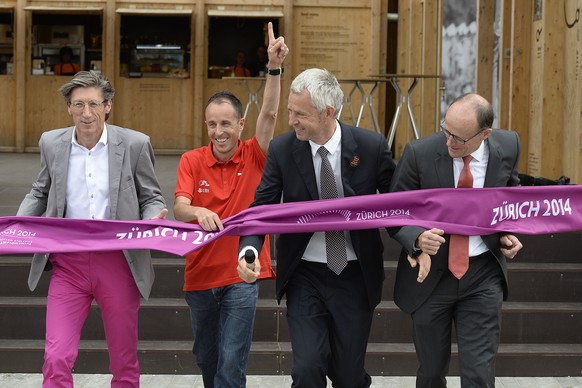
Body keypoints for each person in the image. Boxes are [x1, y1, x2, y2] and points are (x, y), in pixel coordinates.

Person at [238, 68, 396, 387]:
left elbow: (398, 204)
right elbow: (262, 206)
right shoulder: (284, 150)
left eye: (300, 114)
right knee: (308, 368)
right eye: (290, 111)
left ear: (328, 112)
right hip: (305, 274)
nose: (292, 120)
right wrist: (249, 248)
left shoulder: (370, 146)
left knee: (348, 376)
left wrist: (417, 242)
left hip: (354, 273)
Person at [17, 70, 168, 388]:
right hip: (67, 263)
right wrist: (16, 228)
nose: (87, 113)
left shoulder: (134, 144)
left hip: (117, 262)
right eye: (79, 104)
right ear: (68, 108)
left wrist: (152, 218)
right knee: (56, 356)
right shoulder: (51, 143)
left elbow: (152, 198)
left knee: (123, 361)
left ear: (108, 106)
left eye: (94, 104)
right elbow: (39, 192)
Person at [173, 22, 287, 387]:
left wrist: (273, 68)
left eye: (226, 124)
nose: (218, 132)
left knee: (232, 363)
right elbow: (179, 207)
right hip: (200, 275)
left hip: (242, 273)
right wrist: (197, 211)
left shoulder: (255, 154)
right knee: (207, 359)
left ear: (240, 125)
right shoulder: (192, 160)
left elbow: (269, 114)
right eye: (211, 125)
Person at [389, 92, 524, 387]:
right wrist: (417, 239)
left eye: (458, 138)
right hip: (431, 277)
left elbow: (510, 200)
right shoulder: (418, 153)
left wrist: (507, 233)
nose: (449, 142)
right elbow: (394, 210)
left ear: (485, 134)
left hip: (483, 275)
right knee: (431, 372)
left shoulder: (508, 146)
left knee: (479, 374)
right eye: (445, 130)